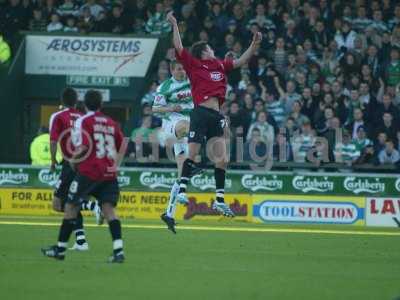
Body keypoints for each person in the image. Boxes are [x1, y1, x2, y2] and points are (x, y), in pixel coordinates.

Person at [166, 11, 262, 223]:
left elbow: (241, 61)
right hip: (200, 112)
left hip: (216, 115)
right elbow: (179, 47)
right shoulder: (193, 64)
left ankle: (219, 198)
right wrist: (174, 24)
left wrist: (254, 45)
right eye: (209, 48)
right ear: (203, 52)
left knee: (223, 158)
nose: (212, 49)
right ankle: (181, 190)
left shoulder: (220, 65)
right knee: (192, 152)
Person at [42, 90, 125, 263]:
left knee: (70, 206)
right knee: (109, 210)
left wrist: (73, 160)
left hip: (89, 171)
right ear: (101, 104)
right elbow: (122, 144)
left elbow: (83, 146)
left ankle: (60, 249)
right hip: (109, 173)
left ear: (85, 104)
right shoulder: (111, 122)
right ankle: (118, 251)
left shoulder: (83, 121)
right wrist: (115, 164)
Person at [47, 88, 100, 251]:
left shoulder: (58, 116)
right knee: (72, 201)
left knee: (58, 204)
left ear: (62, 101)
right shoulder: (81, 117)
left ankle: (92, 207)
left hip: (70, 162)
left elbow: (54, 140)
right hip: (84, 162)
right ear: (77, 101)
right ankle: (81, 241)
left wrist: (53, 161)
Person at [151, 60, 200, 233]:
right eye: (179, 69)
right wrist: (172, 107)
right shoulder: (164, 87)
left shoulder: (192, 81)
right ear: (172, 70)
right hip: (171, 126)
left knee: (183, 165)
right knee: (190, 129)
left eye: (184, 68)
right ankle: (190, 170)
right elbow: (155, 109)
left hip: (186, 127)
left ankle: (169, 213)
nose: (182, 71)